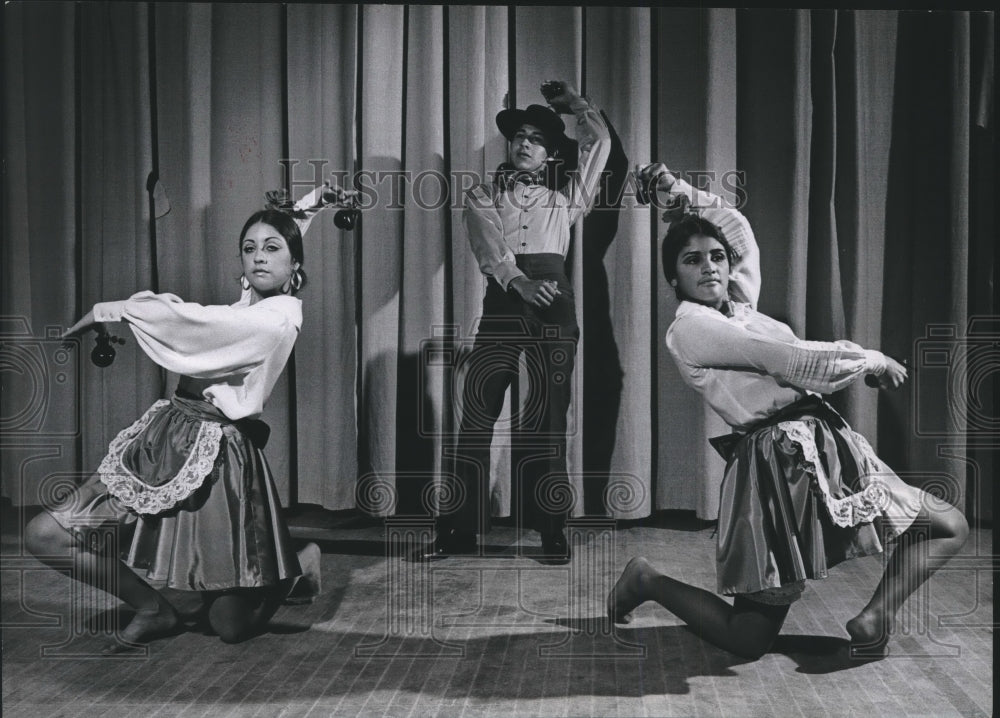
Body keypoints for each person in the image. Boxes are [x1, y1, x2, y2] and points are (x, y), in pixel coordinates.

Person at [606, 165, 969, 659]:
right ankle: (647, 580)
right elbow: (787, 360)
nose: (710, 267)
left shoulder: (740, 307)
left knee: (947, 526)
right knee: (746, 639)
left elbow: (737, 227)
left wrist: (682, 192)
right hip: (777, 464)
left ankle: (874, 617)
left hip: (823, 442)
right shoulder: (691, 328)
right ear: (675, 277)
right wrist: (870, 358)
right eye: (693, 261)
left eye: (717, 258)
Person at [24, 182, 352, 648]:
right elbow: (287, 235)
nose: (258, 257)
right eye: (248, 248)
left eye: (271, 249)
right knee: (46, 535)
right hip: (168, 437)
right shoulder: (250, 305)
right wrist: (311, 206)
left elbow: (191, 321)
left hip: (220, 462)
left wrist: (108, 310)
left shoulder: (273, 319)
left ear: (295, 266)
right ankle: (152, 607)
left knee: (230, 628)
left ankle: (295, 570)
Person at [414, 80, 612, 563]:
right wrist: (518, 282)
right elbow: (488, 248)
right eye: (519, 135)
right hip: (504, 303)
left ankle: (552, 528)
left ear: (547, 155)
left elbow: (601, 145)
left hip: (555, 305)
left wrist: (576, 107)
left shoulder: (566, 201)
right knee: (477, 415)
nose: (524, 143)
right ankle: (459, 529)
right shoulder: (482, 194)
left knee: (550, 419)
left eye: (537, 138)